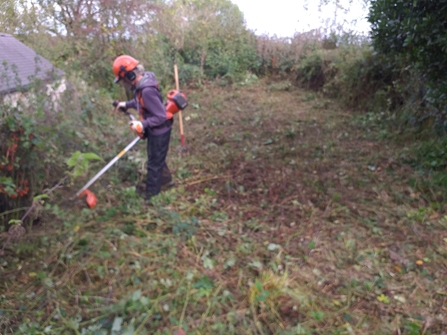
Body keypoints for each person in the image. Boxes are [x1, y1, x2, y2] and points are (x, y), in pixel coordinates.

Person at [112, 55, 174, 202]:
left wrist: (142, 124)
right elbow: (140, 102)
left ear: (130, 75)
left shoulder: (146, 90)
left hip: (160, 130)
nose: (123, 83)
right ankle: (166, 181)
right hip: (155, 129)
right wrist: (125, 105)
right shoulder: (141, 86)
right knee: (156, 157)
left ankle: (151, 198)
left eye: (123, 80)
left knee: (153, 164)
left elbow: (161, 116)